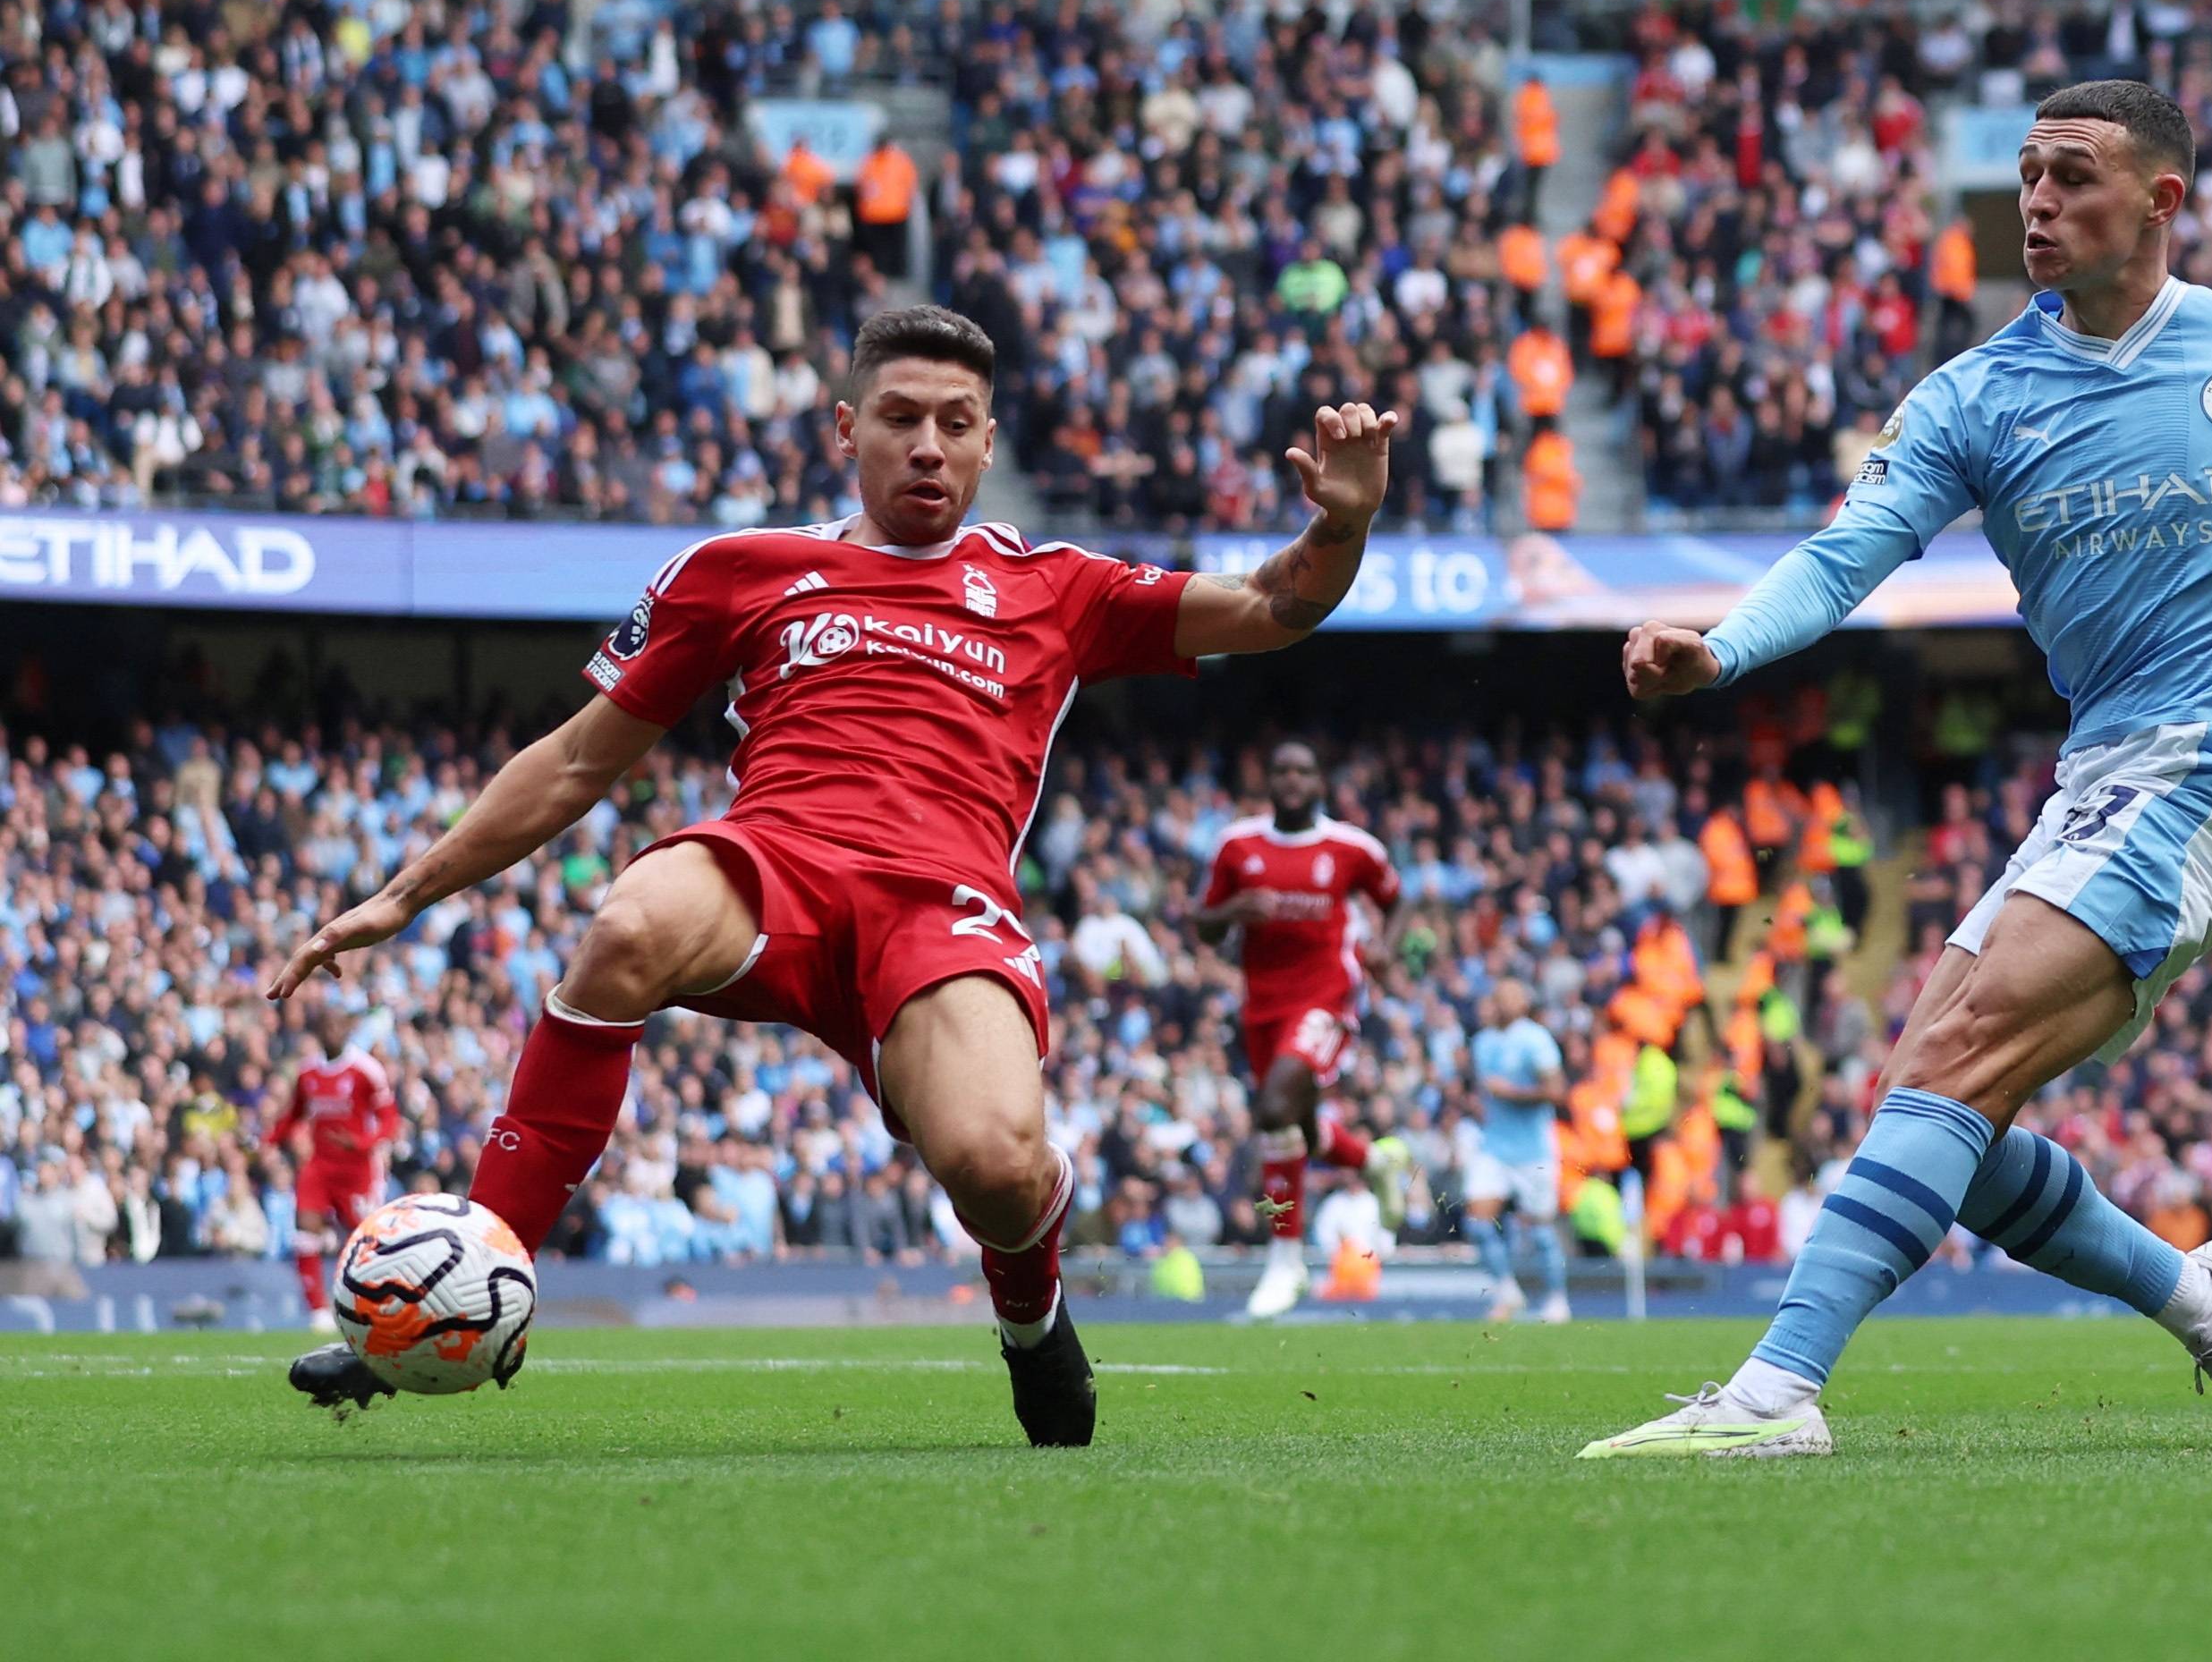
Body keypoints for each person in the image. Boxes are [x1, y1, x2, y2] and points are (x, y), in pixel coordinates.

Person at [263, 304, 1401, 1446]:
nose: (928, 445)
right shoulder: (741, 569)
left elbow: (1272, 605)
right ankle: (464, 1278)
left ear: (988, 443)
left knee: (995, 1168)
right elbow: (573, 760)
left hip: (943, 908)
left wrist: (1342, 524)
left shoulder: (1058, 585)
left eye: (956, 422)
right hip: (776, 868)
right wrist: (404, 894)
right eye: (901, 417)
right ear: (848, 429)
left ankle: (1031, 1315)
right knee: (629, 923)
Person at [1581, 81, 2212, 1461]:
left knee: (1953, 1063)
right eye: (2026, 175)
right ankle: (2202, 1301)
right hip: (2101, 775)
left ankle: (1774, 1397)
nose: (2036, 202)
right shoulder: (1972, 396)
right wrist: (1722, 649)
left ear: (2159, 199)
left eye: (2071, 176)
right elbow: (1843, 556)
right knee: (1936, 1114)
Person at [1193, 741, 1403, 1320]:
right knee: (1296, 1125)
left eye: (1303, 771)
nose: (1291, 780)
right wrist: (1235, 910)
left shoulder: (1351, 848)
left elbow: (1396, 898)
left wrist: (1385, 945)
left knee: (1274, 1109)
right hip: (1261, 1005)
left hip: (1327, 995)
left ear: (1319, 783)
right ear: (1268, 780)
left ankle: (1285, 1261)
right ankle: (1372, 1161)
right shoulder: (1237, 845)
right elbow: (1203, 924)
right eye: (1281, 770)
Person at [263, 999, 401, 1324]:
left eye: (338, 1025)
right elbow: (294, 1115)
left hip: (359, 1170)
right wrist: (267, 1141)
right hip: (320, 1166)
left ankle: (382, 1302)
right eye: (326, 1026)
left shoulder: (366, 1070)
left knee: (366, 1241)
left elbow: (390, 1120)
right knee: (305, 1231)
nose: (332, 1031)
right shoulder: (308, 1072)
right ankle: (318, 1311)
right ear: (318, 1031)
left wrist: (362, 1143)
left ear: (348, 1029)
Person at [1463, 981, 1569, 1324]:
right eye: (1499, 997)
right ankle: (1507, 1291)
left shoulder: (1535, 1039)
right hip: (1494, 1146)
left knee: (1540, 1230)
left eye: (1511, 997)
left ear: (1524, 1003)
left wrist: (1512, 1092)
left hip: (1533, 1150)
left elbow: (1556, 1090)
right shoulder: (1483, 1042)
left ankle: (1557, 1300)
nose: (1503, 1003)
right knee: (1477, 1223)